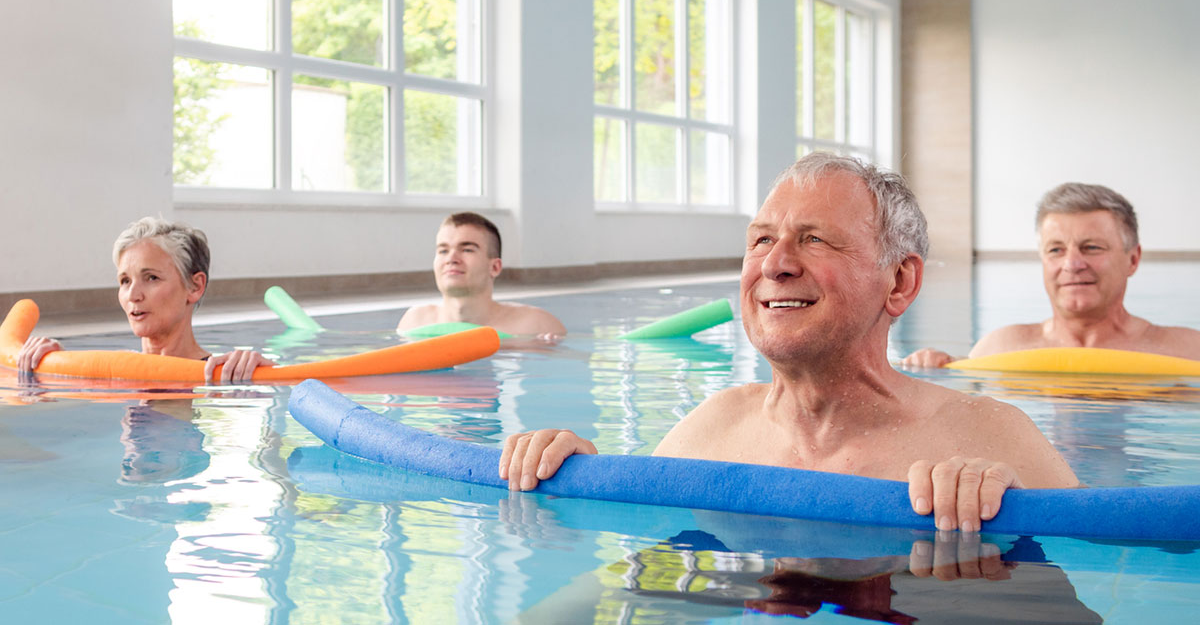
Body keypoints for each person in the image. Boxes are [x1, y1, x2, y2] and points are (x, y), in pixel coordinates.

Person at [499, 153, 1079, 532]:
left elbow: (1108, 572)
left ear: (899, 281)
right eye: (761, 240)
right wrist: (574, 481)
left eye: (815, 240)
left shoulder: (991, 438)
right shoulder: (712, 429)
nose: (775, 265)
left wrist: (1006, 535)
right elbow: (645, 585)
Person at [903, 182, 1200, 367]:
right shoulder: (1000, 349)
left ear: (1133, 259)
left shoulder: (1186, 351)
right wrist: (931, 370)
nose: (1072, 264)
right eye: (1056, 250)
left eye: (1092, 247)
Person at [16, 217, 272, 383]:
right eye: (125, 281)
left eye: (151, 278)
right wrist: (48, 368)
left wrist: (264, 373)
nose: (133, 295)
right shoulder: (111, 371)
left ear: (195, 286)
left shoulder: (223, 373)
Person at [396, 212, 567, 339]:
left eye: (467, 249)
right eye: (443, 250)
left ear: (495, 267)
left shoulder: (536, 326)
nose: (451, 259)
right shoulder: (415, 322)